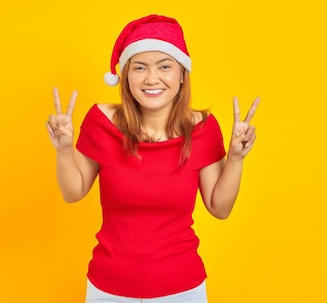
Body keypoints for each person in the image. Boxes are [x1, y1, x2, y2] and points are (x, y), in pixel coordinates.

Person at [46, 14, 259, 303]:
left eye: (165, 66)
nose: (151, 78)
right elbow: (73, 192)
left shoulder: (203, 130)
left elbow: (220, 208)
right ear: (126, 75)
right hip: (109, 288)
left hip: (183, 289)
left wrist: (235, 158)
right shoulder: (101, 123)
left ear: (182, 74)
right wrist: (63, 151)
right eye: (140, 67)